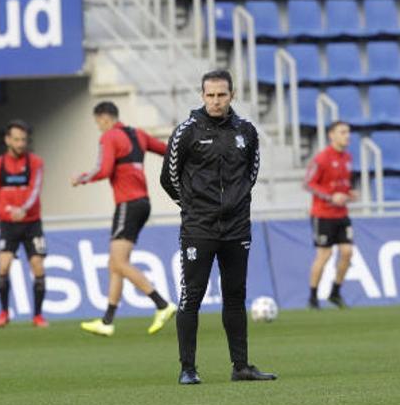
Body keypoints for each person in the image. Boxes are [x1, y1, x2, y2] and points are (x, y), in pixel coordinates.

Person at [161, 70, 277, 385]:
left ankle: (241, 367)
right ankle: (188, 368)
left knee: (236, 296)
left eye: (221, 95)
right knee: (191, 297)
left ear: (232, 95)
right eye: (210, 95)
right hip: (199, 227)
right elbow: (168, 178)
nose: (216, 101)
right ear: (202, 96)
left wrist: (235, 204)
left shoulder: (246, 130)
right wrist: (192, 207)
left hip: (237, 228)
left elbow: (250, 173)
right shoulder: (186, 131)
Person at [73, 101, 177, 337]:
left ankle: (162, 304)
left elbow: (104, 169)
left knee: (118, 263)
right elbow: (166, 149)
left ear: (104, 118)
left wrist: (81, 178)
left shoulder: (109, 137)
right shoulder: (138, 134)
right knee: (115, 263)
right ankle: (107, 321)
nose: (99, 127)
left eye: (98, 123)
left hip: (127, 204)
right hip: (143, 203)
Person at [0, 120, 48, 328]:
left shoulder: (35, 162)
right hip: (8, 224)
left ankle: (38, 315)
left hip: (31, 223)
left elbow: (35, 189)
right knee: (3, 267)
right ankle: (4, 312)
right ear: (7, 140)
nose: (21, 143)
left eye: (23, 139)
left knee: (38, 266)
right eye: (16, 139)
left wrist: (23, 209)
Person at [304, 121, 359, 310]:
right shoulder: (321, 159)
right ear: (331, 135)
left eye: (348, 132)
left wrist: (349, 193)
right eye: (343, 132)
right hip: (323, 214)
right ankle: (312, 297)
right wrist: (330, 196)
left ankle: (335, 292)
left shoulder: (347, 158)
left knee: (347, 252)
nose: (347, 136)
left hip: (341, 214)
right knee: (324, 254)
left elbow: (341, 184)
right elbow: (308, 184)